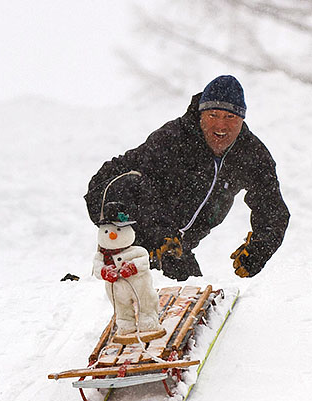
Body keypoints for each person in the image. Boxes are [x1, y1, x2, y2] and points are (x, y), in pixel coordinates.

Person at [85, 75, 289, 281]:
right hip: (135, 234)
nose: (221, 125)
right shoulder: (173, 138)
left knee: (194, 289)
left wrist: (260, 248)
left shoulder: (250, 153)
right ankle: (107, 277)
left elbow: (272, 206)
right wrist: (156, 233)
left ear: (242, 120)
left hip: (178, 246)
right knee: (136, 287)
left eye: (230, 118)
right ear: (201, 115)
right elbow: (144, 187)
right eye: (213, 115)